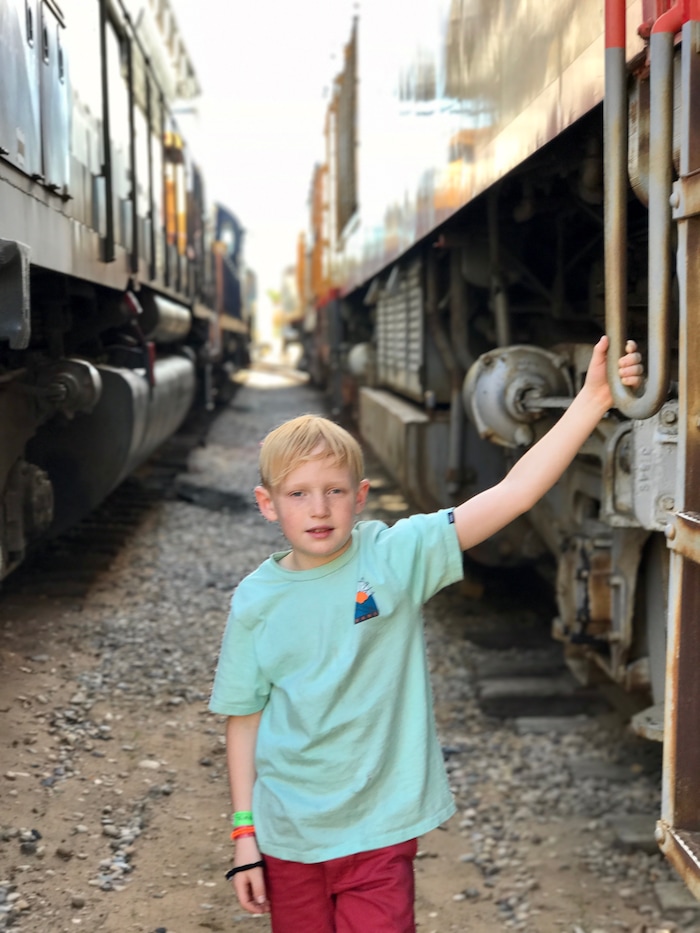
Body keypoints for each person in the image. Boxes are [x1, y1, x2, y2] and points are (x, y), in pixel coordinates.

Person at [209, 336, 644, 933]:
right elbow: (244, 718)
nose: (319, 508)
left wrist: (592, 400)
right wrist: (244, 835)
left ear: (360, 498)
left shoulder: (394, 557)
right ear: (267, 505)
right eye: (298, 494)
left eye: (335, 490)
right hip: (289, 837)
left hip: (381, 831)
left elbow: (512, 495)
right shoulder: (256, 601)